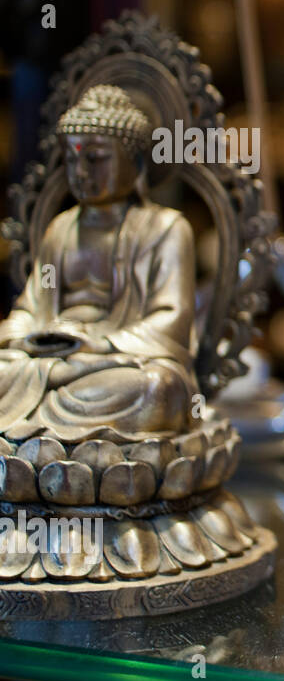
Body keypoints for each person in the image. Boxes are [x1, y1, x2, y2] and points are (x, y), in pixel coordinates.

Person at [0, 85, 197, 444]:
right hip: (54, 362)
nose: (80, 172)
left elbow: (172, 320)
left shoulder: (167, 229)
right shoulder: (60, 229)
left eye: (95, 159)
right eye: (71, 160)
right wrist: (25, 334)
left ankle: (41, 436)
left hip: (118, 362)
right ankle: (59, 437)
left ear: (134, 160)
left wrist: (98, 345)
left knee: (158, 390)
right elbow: (32, 307)